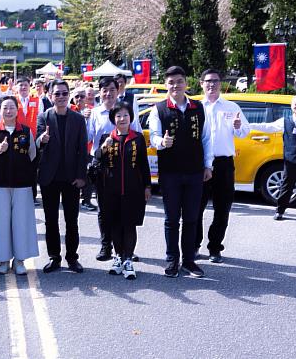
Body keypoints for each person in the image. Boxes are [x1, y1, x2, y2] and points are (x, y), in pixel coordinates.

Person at [148, 66, 212, 279]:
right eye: (171, 82)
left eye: (179, 81)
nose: (175, 86)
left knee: (192, 218)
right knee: (172, 219)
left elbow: (206, 139)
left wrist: (208, 165)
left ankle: (189, 261)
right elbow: (154, 137)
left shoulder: (198, 107)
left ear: (186, 83)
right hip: (170, 173)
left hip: (194, 172)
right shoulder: (159, 109)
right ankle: (172, 260)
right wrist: (162, 142)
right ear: (166, 85)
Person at [195, 69, 250, 263]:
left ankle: (215, 247)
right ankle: (194, 245)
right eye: (208, 81)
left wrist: (238, 127)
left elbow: (245, 132)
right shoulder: (195, 107)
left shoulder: (231, 106)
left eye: (215, 81)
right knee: (196, 207)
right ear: (201, 83)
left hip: (224, 163)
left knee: (222, 207)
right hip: (200, 163)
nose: (211, 84)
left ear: (221, 83)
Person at [36, 79, 89, 273]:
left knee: (71, 220)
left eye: (64, 93)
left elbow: (82, 150)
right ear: (50, 96)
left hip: (71, 178)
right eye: (57, 94)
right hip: (49, 178)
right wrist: (42, 139)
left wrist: (82, 176)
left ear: (69, 95)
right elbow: (37, 142)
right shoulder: (43, 117)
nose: (60, 97)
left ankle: (72, 258)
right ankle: (54, 257)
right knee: (51, 221)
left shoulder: (78, 119)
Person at [87, 76, 142, 261]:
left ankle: (127, 250)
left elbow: (138, 135)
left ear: (117, 90)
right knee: (104, 210)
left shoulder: (126, 110)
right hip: (104, 168)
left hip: (126, 167)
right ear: (99, 92)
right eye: (104, 90)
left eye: (112, 89)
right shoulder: (94, 113)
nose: (108, 93)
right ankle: (106, 247)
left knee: (125, 210)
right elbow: (88, 138)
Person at [95, 101, 151, 279]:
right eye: (118, 116)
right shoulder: (106, 137)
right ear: (113, 119)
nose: (122, 118)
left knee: (129, 224)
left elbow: (144, 164)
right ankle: (118, 256)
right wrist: (104, 147)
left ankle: (128, 259)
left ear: (130, 118)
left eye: (125, 115)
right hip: (110, 190)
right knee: (115, 224)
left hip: (133, 189)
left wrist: (147, 186)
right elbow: (96, 158)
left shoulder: (137, 138)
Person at [249, 94, 296, 225]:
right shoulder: (285, 121)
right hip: (290, 161)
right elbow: (268, 127)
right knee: (286, 187)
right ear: (291, 106)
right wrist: (248, 125)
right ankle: (280, 211)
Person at [0, 96, 39, 275]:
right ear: (0, 110)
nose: (8, 111)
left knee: (22, 222)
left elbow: (32, 154)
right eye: (5, 108)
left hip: (22, 184)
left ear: (17, 110)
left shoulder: (25, 131)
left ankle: (20, 260)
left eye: (11, 108)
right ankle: (2, 260)